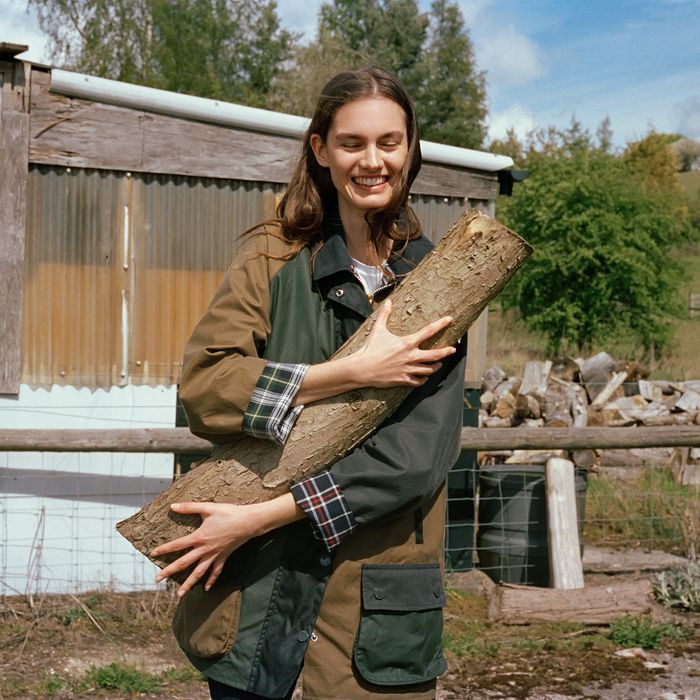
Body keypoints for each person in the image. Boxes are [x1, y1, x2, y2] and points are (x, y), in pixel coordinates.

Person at [151, 66, 467, 700]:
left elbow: (413, 461)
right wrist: (345, 374)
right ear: (321, 150)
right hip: (260, 596)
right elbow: (204, 388)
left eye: (389, 142)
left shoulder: (444, 279)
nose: (372, 161)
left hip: (370, 606)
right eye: (352, 143)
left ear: (410, 149)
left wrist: (254, 519)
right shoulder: (273, 257)